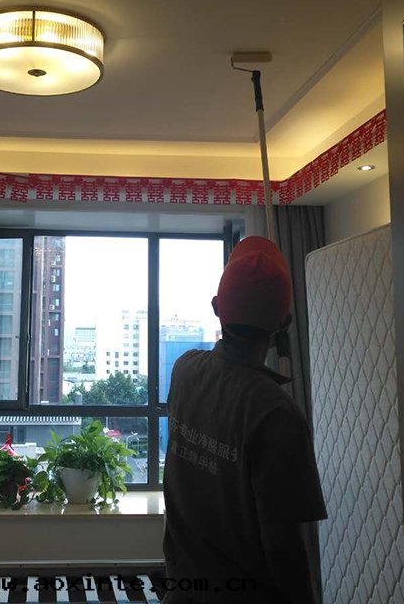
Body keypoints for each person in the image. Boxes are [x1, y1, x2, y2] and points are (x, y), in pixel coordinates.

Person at [162, 236, 327, 603]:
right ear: (285, 321)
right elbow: (284, 548)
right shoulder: (276, 414)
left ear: (216, 307)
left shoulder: (184, 370)